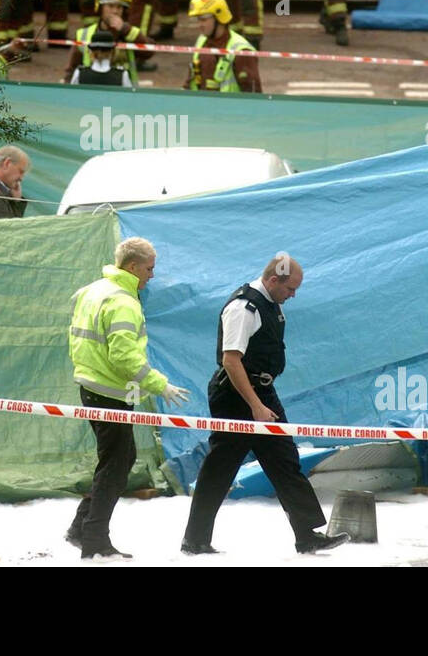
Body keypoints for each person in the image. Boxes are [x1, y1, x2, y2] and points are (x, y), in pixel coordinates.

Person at [180, 253, 349, 556]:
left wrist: (262, 400)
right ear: (273, 280)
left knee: (284, 459)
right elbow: (231, 361)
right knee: (220, 468)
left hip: (262, 392)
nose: (293, 295)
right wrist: (255, 405)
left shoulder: (272, 304)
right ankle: (195, 540)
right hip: (236, 395)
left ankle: (307, 534)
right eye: (290, 289)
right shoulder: (243, 308)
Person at [66, 237, 190, 559]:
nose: (152, 275)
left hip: (93, 387)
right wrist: (160, 384)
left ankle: (82, 528)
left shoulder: (93, 290)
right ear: (133, 266)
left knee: (115, 460)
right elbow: (123, 356)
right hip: (109, 392)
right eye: (149, 269)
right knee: (117, 463)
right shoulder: (123, 301)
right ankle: (94, 540)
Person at [63, 0, 142, 82]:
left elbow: (149, 52)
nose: (115, 11)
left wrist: (125, 29)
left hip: (122, 91)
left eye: (119, 7)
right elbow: (71, 71)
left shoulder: (129, 33)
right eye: (110, 6)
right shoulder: (84, 35)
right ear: (100, 7)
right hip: (92, 90)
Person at [183, 0, 261, 92]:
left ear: (219, 17)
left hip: (230, 107)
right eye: (198, 20)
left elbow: (253, 96)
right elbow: (190, 81)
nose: (200, 25)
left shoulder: (241, 51)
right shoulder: (201, 42)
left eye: (203, 19)